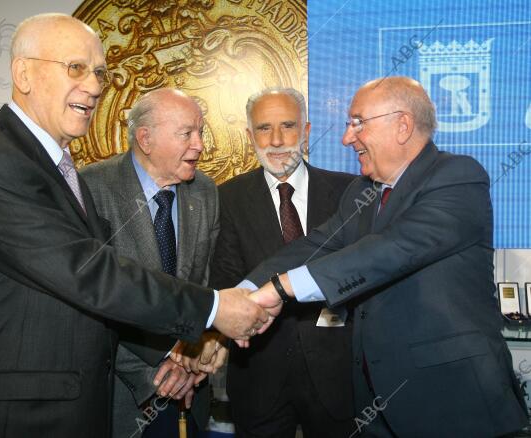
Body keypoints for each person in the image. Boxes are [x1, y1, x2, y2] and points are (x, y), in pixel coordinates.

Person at [0, 13, 268, 438]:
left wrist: (177, 353)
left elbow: (95, 305)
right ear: (23, 73)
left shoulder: (56, 167)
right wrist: (213, 308)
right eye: (75, 68)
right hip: (12, 420)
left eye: (99, 72)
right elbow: (90, 274)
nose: (93, 85)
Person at [245, 77, 528, 437]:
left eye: (358, 122)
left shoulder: (458, 177)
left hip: (454, 405)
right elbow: (316, 245)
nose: (348, 138)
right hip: (376, 409)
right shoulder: (361, 192)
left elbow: (389, 251)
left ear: (403, 125)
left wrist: (280, 289)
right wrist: (245, 290)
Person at [209, 87, 356, 437]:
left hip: (338, 375)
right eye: (263, 128)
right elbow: (225, 279)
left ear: (306, 131)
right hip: (259, 376)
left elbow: (357, 274)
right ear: (249, 136)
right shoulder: (226, 197)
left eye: (288, 126)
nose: (276, 140)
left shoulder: (349, 192)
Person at [81, 88, 226, 438]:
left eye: (200, 132)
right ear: (145, 139)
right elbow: (92, 303)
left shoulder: (205, 192)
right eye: (186, 134)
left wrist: (196, 353)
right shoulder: (91, 189)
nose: (200, 145)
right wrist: (161, 369)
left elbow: (207, 285)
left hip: (190, 392)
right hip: (121, 392)